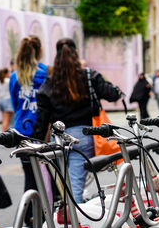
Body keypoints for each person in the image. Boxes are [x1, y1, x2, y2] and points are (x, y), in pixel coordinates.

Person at [34, 38, 122, 203]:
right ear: (76, 54)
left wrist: (37, 142)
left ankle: (69, 222)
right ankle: (78, 224)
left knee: (63, 185)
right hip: (83, 137)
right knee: (75, 187)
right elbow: (112, 94)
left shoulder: (49, 82)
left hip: (58, 140)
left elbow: (42, 117)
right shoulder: (88, 76)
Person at [9, 37, 47, 227]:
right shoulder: (45, 72)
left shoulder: (15, 76)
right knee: (46, 175)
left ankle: (29, 215)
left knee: (30, 176)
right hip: (42, 131)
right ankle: (41, 214)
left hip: (21, 130)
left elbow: (15, 105)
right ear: (39, 51)